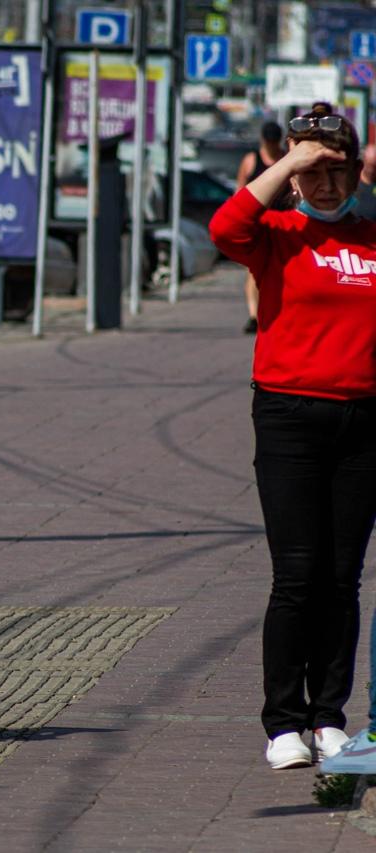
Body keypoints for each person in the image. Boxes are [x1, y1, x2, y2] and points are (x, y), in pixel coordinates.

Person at [208, 104, 376, 770]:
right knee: (297, 576)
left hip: (365, 422)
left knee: (342, 578)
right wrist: (289, 163)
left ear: (355, 173)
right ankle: (283, 723)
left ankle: (329, 716)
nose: (325, 184)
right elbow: (224, 227)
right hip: (288, 418)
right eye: (313, 171)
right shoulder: (276, 233)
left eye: (337, 170)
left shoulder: (371, 236)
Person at [234, 121, 285, 334]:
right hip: (258, 222)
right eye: (269, 142)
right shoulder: (251, 160)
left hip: (283, 222)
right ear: (264, 140)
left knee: (279, 267)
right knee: (253, 269)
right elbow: (240, 190)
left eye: (275, 142)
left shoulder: (284, 159)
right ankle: (254, 315)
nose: (272, 146)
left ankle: (275, 310)